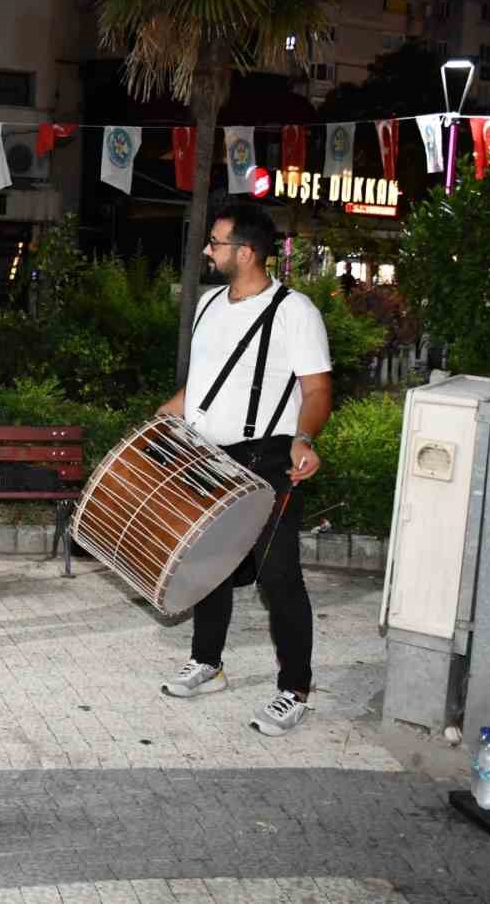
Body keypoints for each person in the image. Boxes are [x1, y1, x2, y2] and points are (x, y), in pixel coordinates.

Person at [156, 204, 333, 736]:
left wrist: (305, 438)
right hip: (208, 454)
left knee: (278, 576)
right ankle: (207, 663)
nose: (207, 251)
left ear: (246, 252)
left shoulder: (294, 311)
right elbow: (203, 385)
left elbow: (318, 388)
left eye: (215, 242)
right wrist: (164, 418)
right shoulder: (209, 305)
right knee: (207, 565)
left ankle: (294, 689)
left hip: (269, 460)